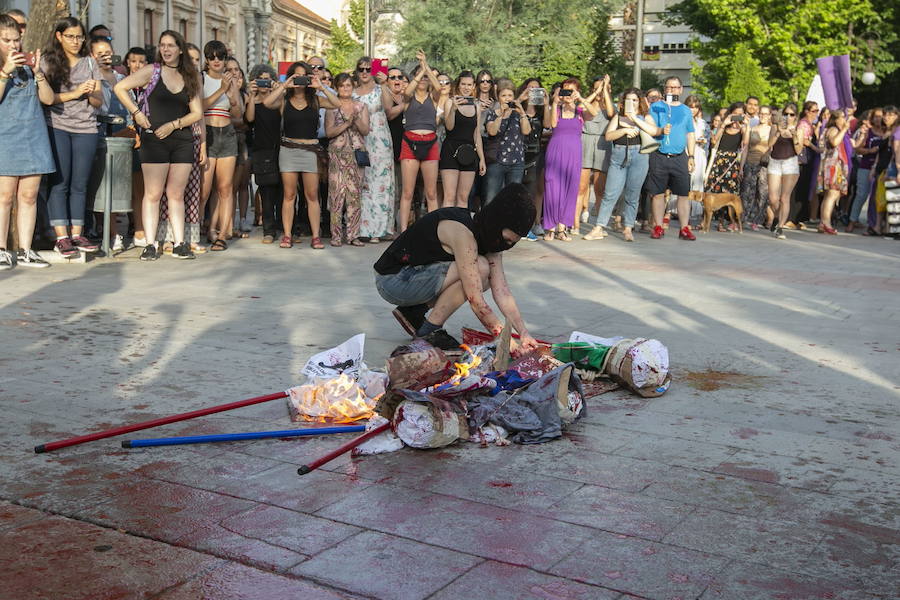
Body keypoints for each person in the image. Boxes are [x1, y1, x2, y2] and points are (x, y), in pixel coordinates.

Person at [375, 182, 540, 352]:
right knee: (481, 269)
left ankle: (413, 312)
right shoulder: (463, 233)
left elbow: (502, 291)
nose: (506, 246)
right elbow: (476, 301)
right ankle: (429, 330)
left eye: (512, 243)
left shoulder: (491, 235)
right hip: (392, 280)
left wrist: (523, 333)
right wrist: (504, 338)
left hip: (417, 276)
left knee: (484, 274)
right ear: (497, 224)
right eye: (507, 240)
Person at [113, 30, 204, 260]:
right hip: (154, 140)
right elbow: (120, 88)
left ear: (180, 49)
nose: (166, 49)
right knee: (153, 193)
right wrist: (136, 113)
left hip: (182, 139)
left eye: (171, 45)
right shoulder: (152, 71)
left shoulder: (190, 75)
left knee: (176, 193)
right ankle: (150, 244)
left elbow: (197, 113)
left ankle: (180, 243)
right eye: (162, 45)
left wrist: (174, 125)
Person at [40, 17, 103, 257]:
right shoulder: (48, 62)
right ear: (59, 36)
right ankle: (61, 236)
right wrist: (76, 92)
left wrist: (89, 94)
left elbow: (98, 101)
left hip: (86, 128)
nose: (76, 41)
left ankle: (77, 234)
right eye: (71, 36)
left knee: (80, 184)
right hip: (57, 125)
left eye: (79, 36)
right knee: (60, 182)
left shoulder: (89, 63)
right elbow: (47, 99)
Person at [264, 60, 339, 249]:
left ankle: (315, 236)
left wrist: (320, 85)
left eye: (303, 76)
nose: (300, 80)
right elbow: (267, 102)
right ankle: (287, 235)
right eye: (296, 76)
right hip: (288, 149)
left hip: (310, 151)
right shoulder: (284, 100)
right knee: (289, 195)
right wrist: (284, 85)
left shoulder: (316, 99)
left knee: (312, 195)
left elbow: (336, 103)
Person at [0, 13, 54, 269]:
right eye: (6, 40)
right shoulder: (5, 68)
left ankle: (25, 250)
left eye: (16, 40)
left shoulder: (27, 68)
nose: (13, 45)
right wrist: (4, 73)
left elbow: (48, 99)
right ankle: (0, 249)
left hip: (33, 135)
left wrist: (38, 73)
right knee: (4, 196)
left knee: (30, 195)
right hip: (6, 137)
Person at [584, 88, 656, 243]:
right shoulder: (618, 117)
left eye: (635, 100)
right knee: (610, 193)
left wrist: (635, 121)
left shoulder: (645, 116)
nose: (632, 103)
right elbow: (609, 136)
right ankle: (599, 227)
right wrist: (624, 130)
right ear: (624, 102)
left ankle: (628, 227)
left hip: (639, 156)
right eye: (628, 100)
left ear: (640, 101)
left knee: (633, 195)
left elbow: (654, 131)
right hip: (619, 155)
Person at [199, 41, 242, 251]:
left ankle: (222, 235)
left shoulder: (231, 81)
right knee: (204, 190)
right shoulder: (201, 78)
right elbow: (199, 106)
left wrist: (233, 96)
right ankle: (196, 230)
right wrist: (221, 90)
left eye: (221, 57)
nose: (217, 60)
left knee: (225, 188)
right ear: (207, 59)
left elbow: (238, 114)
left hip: (227, 133)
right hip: (208, 134)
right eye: (212, 56)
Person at [542, 78, 597, 241]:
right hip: (556, 151)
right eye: (565, 90)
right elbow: (552, 124)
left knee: (569, 190)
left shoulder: (580, 111)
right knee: (552, 187)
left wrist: (580, 99)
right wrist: (555, 101)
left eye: (571, 90)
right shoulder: (556, 109)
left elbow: (593, 113)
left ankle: (562, 228)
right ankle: (549, 227)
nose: (568, 94)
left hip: (573, 153)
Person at [646, 76, 696, 240]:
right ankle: (658, 226)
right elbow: (650, 127)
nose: (672, 90)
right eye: (669, 87)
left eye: (675, 87)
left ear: (681, 90)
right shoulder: (656, 106)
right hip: (659, 154)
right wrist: (660, 129)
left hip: (679, 156)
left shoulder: (686, 110)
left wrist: (691, 156)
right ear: (664, 89)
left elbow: (690, 134)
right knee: (658, 193)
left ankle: (684, 228)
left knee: (683, 194)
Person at [398, 50, 442, 232]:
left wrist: (426, 66)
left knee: (431, 193)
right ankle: (402, 231)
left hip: (430, 142)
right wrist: (420, 73)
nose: (423, 79)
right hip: (410, 142)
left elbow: (438, 87)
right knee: (408, 191)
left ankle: (434, 230)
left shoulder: (434, 97)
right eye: (419, 76)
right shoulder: (408, 98)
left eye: (426, 77)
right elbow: (407, 92)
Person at [352, 56, 396, 243]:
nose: (364, 72)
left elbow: (387, 107)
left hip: (380, 140)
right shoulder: (352, 92)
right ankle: (362, 228)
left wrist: (384, 83)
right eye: (361, 69)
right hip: (358, 140)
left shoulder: (380, 89)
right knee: (362, 183)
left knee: (381, 183)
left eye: (368, 69)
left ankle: (379, 229)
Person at [325, 72, 369, 247]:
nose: (345, 88)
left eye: (348, 85)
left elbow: (366, 130)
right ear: (336, 88)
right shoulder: (331, 107)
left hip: (357, 155)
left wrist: (355, 119)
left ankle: (353, 235)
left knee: (354, 196)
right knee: (336, 196)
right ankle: (336, 236)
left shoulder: (361, 106)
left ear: (353, 87)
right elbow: (329, 132)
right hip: (337, 155)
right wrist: (345, 124)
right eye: (342, 85)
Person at [245, 63, 281, 243]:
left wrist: (279, 90)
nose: (265, 84)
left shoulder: (279, 99)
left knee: (283, 191)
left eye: (268, 80)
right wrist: (252, 95)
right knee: (266, 191)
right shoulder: (252, 99)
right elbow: (250, 118)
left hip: (280, 148)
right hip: (261, 149)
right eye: (261, 80)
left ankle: (284, 227)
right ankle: (269, 230)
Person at [483, 78, 532, 206]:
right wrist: (501, 115)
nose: (507, 98)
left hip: (516, 162)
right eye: (503, 95)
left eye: (510, 95)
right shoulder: (492, 114)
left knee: (513, 199)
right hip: (497, 161)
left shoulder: (518, 114)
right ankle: (489, 225)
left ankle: (509, 225)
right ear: (498, 97)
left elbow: (527, 131)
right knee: (491, 198)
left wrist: (522, 113)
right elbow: (492, 131)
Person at [440, 70, 485, 208]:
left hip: (469, 153)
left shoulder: (476, 106)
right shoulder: (449, 102)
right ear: (458, 85)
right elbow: (449, 127)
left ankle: (461, 228)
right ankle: (445, 228)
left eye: (469, 85)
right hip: (450, 150)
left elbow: (476, 134)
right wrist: (453, 109)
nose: (466, 87)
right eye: (463, 84)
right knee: (449, 196)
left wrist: (481, 158)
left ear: (473, 87)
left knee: (463, 197)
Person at [575, 75, 614, 227]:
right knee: (581, 186)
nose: (600, 91)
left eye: (603, 88)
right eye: (596, 88)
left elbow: (611, 113)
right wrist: (596, 92)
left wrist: (605, 90)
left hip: (603, 143)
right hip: (585, 141)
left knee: (600, 188)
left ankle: (599, 225)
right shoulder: (586, 103)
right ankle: (576, 222)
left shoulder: (610, 105)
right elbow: (582, 108)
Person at [705, 101, 747, 231]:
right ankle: (705, 221)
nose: (737, 117)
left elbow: (745, 145)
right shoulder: (723, 126)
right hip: (719, 162)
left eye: (740, 114)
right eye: (735, 114)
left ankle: (722, 222)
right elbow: (714, 141)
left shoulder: (743, 129)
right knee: (712, 191)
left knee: (728, 195)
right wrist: (724, 124)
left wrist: (747, 126)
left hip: (732, 164)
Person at [766, 102, 803, 240]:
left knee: (784, 197)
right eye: (786, 114)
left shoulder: (799, 130)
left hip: (790, 164)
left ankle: (780, 227)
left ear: (796, 116)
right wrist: (777, 133)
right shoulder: (775, 127)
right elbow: (769, 144)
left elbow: (799, 150)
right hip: (775, 162)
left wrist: (794, 137)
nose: (788, 117)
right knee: (773, 198)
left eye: (791, 114)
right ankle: (776, 216)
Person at [123, 46, 148, 246]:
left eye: (141, 62)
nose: (137, 65)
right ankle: (137, 227)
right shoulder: (122, 86)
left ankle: (142, 227)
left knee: (146, 189)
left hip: (149, 140)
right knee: (134, 189)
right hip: (128, 139)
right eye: (133, 61)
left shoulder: (151, 86)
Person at [517, 78, 546, 240]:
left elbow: (548, 124)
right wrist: (521, 99)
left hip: (535, 154)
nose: (533, 91)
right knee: (516, 190)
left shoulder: (541, 111)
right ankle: (516, 224)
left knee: (532, 192)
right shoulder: (517, 106)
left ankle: (530, 225)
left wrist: (547, 103)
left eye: (536, 89)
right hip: (517, 152)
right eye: (530, 88)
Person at [817, 108, 850, 235]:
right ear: (835, 119)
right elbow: (834, 141)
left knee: (830, 195)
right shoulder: (833, 130)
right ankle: (826, 223)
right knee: (831, 195)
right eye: (841, 117)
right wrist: (844, 129)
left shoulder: (834, 129)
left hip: (833, 165)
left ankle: (823, 222)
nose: (844, 120)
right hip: (832, 166)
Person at [741, 104, 772, 230]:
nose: (763, 116)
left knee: (762, 194)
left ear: (770, 115)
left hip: (764, 165)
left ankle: (756, 220)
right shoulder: (753, 128)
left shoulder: (772, 130)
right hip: (750, 162)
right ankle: (742, 219)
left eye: (766, 113)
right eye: (761, 113)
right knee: (746, 193)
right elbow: (745, 147)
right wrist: (741, 166)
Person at [685, 95, 709, 192]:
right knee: (685, 183)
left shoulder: (701, 122)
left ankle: (695, 207)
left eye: (696, 107)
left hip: (699, 154)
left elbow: (706, 140)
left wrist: (703, 140)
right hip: (685, 152)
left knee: (697, 184)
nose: (693, 110)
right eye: (691, 107)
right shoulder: (682, 121)